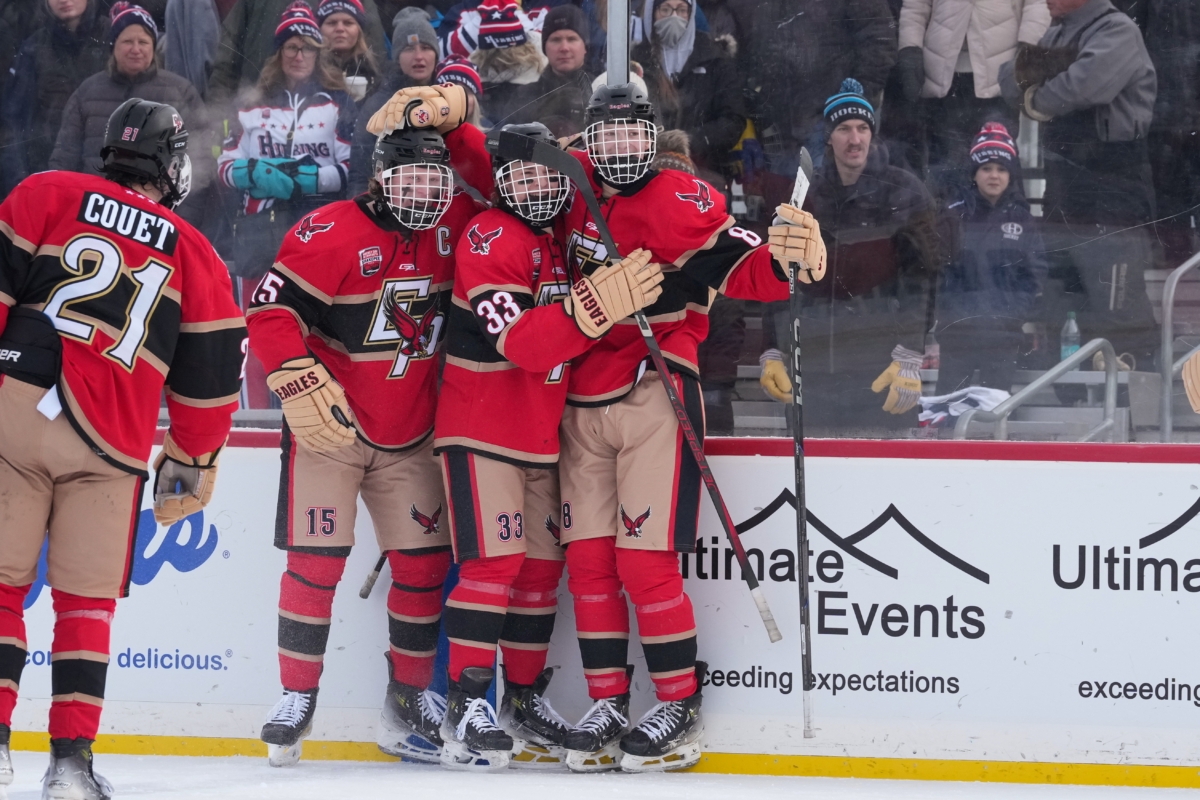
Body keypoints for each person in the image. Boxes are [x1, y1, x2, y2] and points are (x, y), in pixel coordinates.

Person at [0, 98, 245, 800]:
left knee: (1, 590)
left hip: (16, 412)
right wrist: (191, 460)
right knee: (85, 607)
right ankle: (70, 768)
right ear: (170, 165)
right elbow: (208, 388)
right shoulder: (196, 254)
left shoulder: (44, 191)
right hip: (111, 441)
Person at [247, 123, 481, 768]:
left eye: (436, 178)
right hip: (333, 428)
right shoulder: (332, 229)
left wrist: (461, 116)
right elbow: (270, 312)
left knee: (424, 570)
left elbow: (508, 188)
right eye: (409, 178)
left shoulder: (455, 225)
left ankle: (407, 699)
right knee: (315, 565)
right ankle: (298, 696)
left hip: (412, 433)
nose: (424, 190)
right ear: (379, 177)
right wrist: (291, 374)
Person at [432, 122, 663, 770]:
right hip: (481, 428)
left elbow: (599, 159)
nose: (534, 186)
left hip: (538, 434)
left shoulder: (557, 237)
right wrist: (592, 309)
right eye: (519, 176)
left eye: (544, 175)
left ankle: (522, 699)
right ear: (500, 184)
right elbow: (526, 346)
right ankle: (467, 702)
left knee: (538, 573)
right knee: (492, 568)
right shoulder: (490, 235)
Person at [759, 79, 940, 437]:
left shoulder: (905, 192)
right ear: (828, 136)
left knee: (883, 482)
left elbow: (925, 277)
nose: (854, 139)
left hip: (879, 367)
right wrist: (772, 350)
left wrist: (909, 355)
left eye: (862, 128)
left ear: (873, 134)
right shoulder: (802, 194)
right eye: (843, 129)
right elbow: (780, 274)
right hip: (809, 369)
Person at [998, 0, 1158, 367]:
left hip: (1112, 179)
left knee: (1115, 295)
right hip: (1065, 181)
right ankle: (1070, 387)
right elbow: (1007, 76)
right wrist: (1041, 79)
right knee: (1063, 289)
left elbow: (1083, 87)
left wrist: (1035, 93)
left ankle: (1133, 396)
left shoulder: (1117, 30)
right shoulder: (1059, 29)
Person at [217, 1, 355, 280]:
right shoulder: (252, 104)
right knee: (255, 314)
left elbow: (350, 169)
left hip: (316, 226)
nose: (299, 56)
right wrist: (253, 172)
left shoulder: (337, 104)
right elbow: (224, 166)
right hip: (258, 232)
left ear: (317, 54)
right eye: (291, 47)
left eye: (307, 48)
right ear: (279, 53)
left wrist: (307, 178)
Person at [935, 122, 1046, 395]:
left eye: (1001, 168)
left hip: (1003, 339)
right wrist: (954, 313)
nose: (994, 176)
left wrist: (1009, 316)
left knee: (994, 417)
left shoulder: (1023, 220)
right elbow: (936, 273)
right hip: (957, 337)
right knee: (947, 416)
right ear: (974, 173)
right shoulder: (951, 215)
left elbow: (1035, 276)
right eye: (986, 168)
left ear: (1011, 174)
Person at [50, 3, 210, 192]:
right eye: (127, 42)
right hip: (93, 210)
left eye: (143, 42)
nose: (136, 49)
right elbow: (64, 159)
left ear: (153, 46)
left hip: (156, 215)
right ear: (113, 46)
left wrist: (179, 218)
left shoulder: (181, 93)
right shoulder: (87, 92)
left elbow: (200, 163)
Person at [895, 0, 1049, 183]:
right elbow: (916, 6)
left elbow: (1037, 4)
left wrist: (1028, 48)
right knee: (947, 168)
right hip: (944, 78)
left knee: (999, 165)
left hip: (999, 79)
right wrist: (910, 48)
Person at [1, 0, 111, 194]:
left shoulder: (114, 38)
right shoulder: (33, 48)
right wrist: (21, 184)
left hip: (105, 177)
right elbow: (12, 122)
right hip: (47, 178)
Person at [631, 0, 745, 179]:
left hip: (704, 170)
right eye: (666, 9)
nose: (674, 17)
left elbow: (733, 120)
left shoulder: (715, 59)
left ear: (691, 14)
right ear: (652, 13)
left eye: (682, 10)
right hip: (643, 173)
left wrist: (691, 141)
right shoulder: (635, 62)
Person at [207, 0, 385, 103]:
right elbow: (226, 59)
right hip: (258, 103)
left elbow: (373, 56)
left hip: (325, 107)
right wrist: (218, 110)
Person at [350, 7, 441, 194]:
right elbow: (360, 177)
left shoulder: (449, 100)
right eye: (409, 49)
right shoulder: (379, 107)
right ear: (397, 57)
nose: (418, 57)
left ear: (436, 53)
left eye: (425, 47)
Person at [513, 4, 594, 136]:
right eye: (556, 40)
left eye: (572, 39)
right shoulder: (524, 96)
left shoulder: (600, 90)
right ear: (545, 48)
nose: (564, 47)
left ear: (585, 46)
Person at [318, 0, 383, 104]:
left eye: (348, 23)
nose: (340, 29)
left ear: (359, 30)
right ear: (319, 30)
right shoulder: (310, 73)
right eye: (332, 23)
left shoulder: (375, 72)